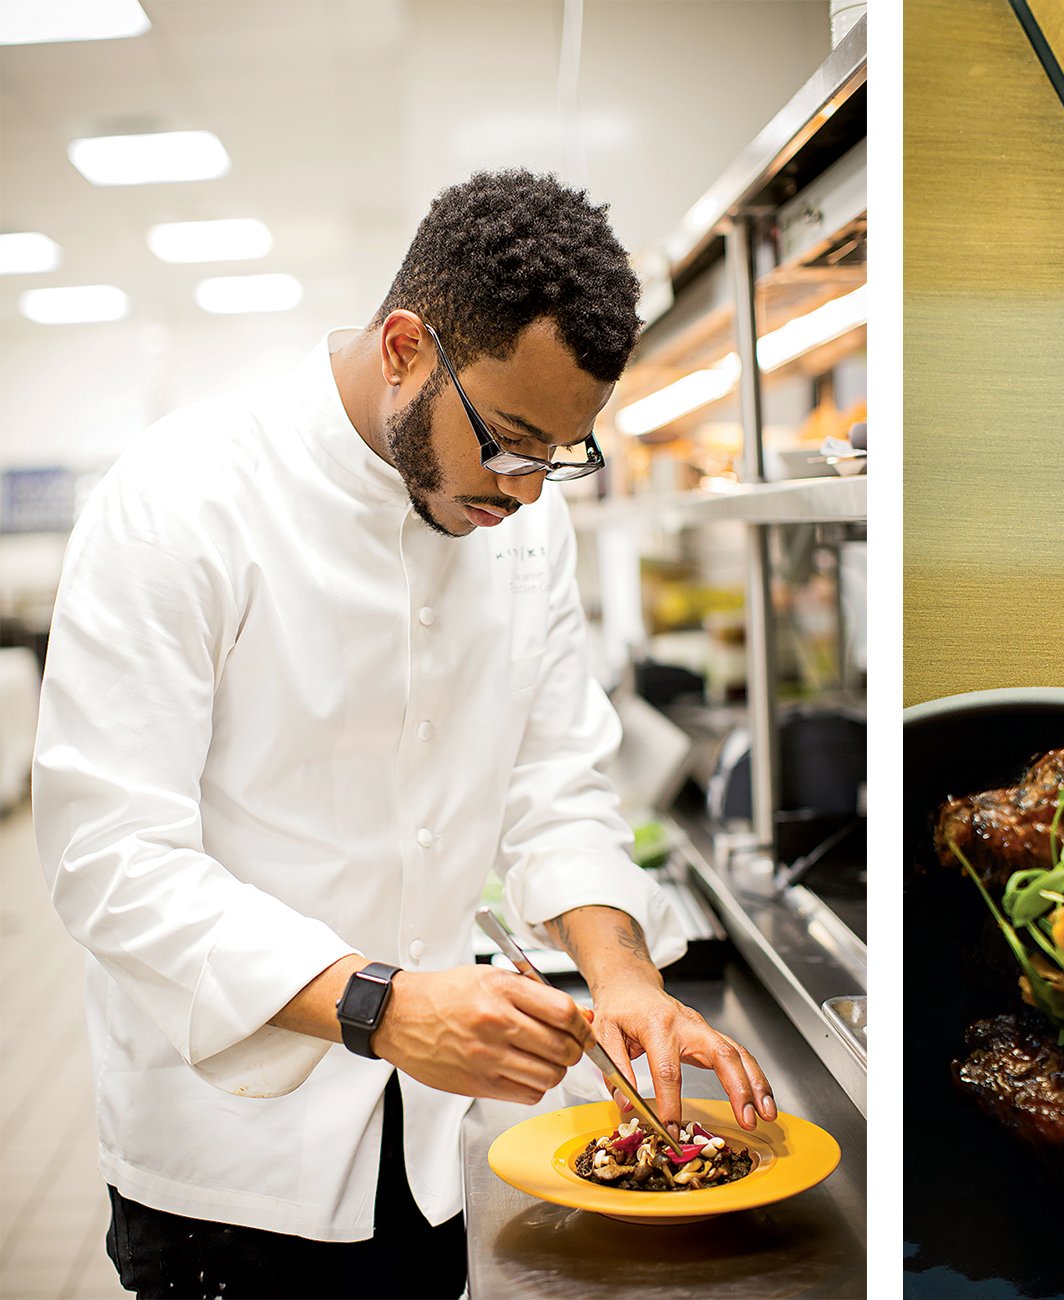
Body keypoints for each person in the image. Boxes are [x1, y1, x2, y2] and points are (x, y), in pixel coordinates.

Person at [33, 169, 774, 1300]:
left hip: (435, 1148)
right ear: (402, 348)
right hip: (231, 1165)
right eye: (511, 441)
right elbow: (110, 860)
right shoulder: (179, 504)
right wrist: (378, 1003)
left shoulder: (525, 523)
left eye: (561, 454)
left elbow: (555, 783)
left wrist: (624, 974)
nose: (526, 493)